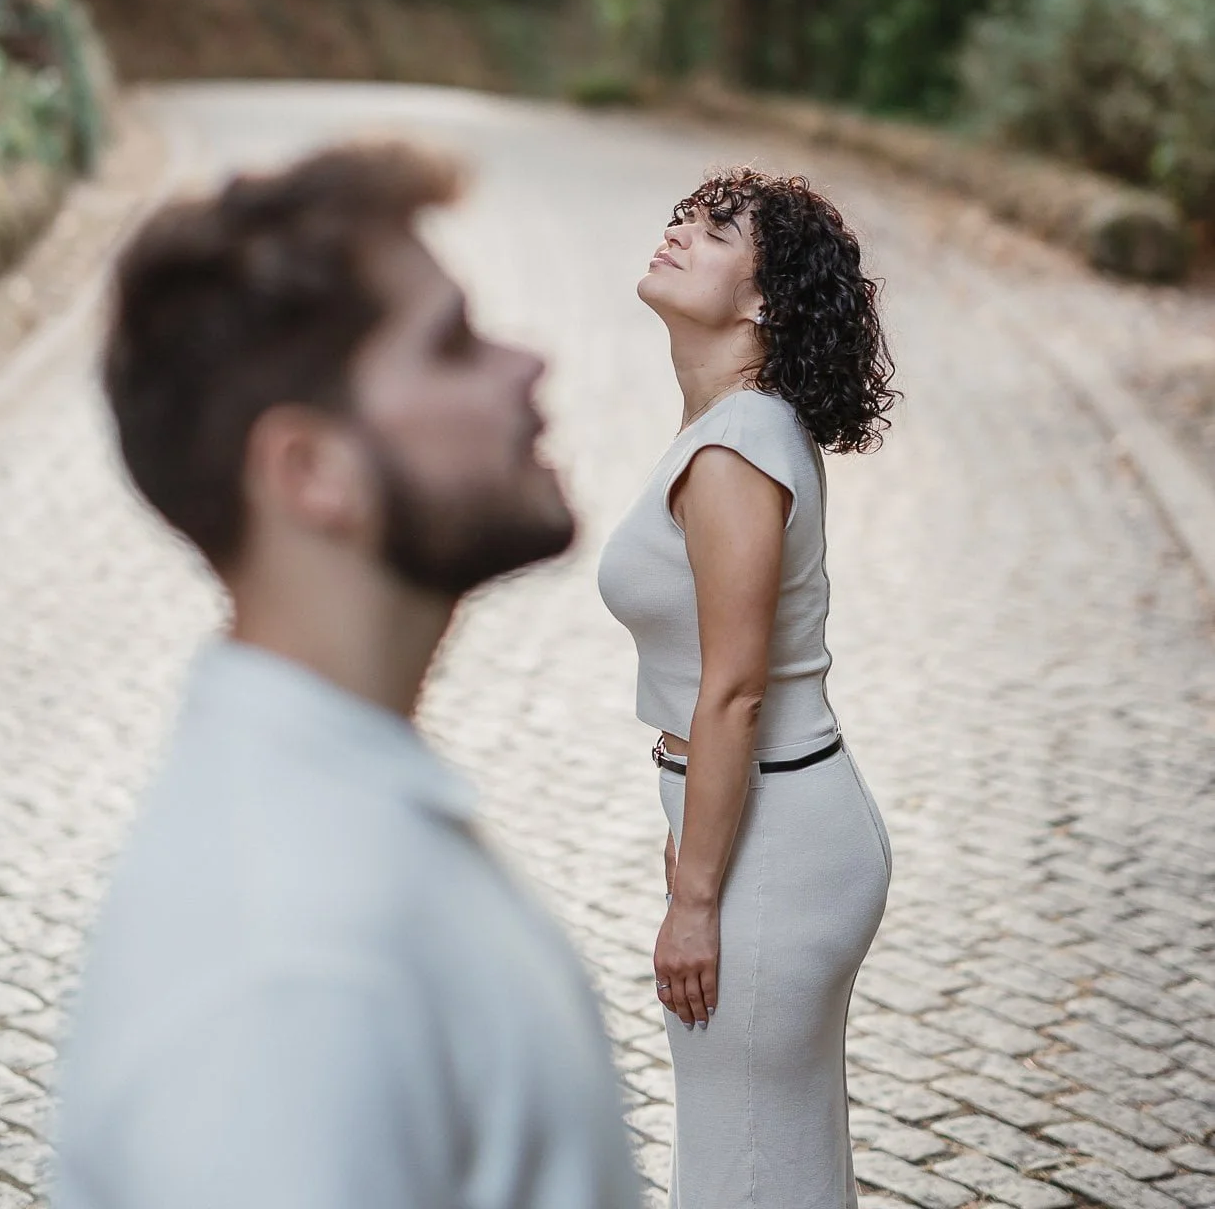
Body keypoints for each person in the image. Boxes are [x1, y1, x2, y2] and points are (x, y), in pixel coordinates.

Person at [53, 140, 641, 1209]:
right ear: (312, 470)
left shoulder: (333, 829)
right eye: (455, 344)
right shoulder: (293, 977)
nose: (527, 363)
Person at [598, 166, 897, 1209]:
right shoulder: (738, 426)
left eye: (716, 228)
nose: (679, 229)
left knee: (743, 1167)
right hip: (769, 825)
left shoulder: (735, 448)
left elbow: (732, 692)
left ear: (763, 300)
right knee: (779, 1159)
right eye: (682, 211)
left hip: (775, 843)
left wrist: (694, 896)